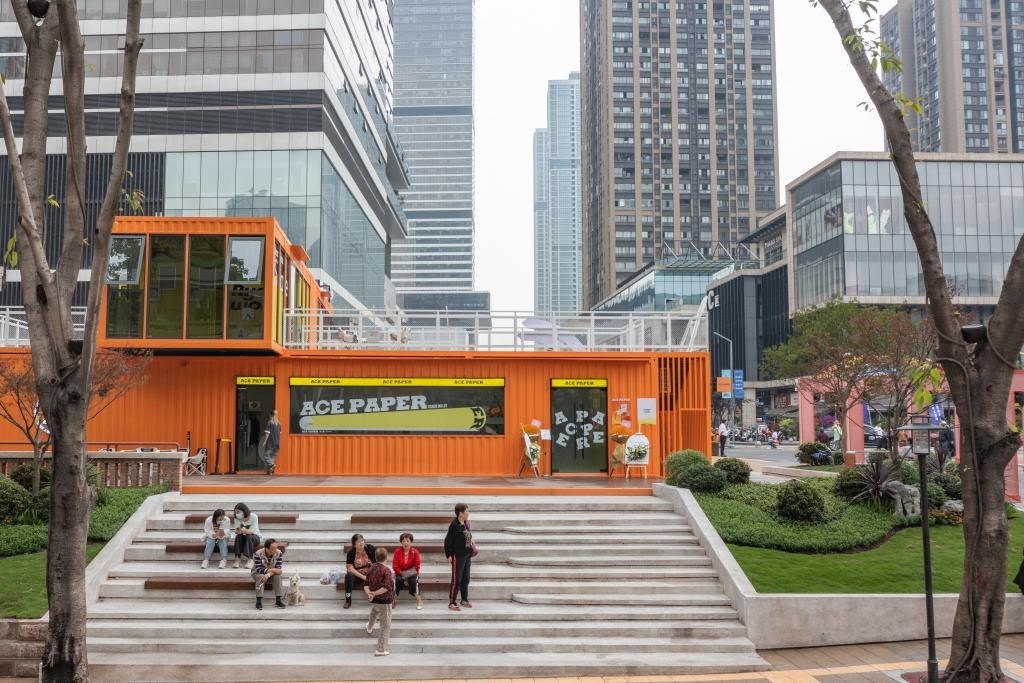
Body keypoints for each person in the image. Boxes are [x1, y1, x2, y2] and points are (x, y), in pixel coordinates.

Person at [364, 547, 395, 656]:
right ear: (386, 557)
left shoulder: (371, 568)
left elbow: (366, 584)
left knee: (374, 611)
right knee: (385, 626)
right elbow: (386, 588)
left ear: (375, 557)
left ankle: (369, 626)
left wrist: (370, 593)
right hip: (385, 601)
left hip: (375, 600)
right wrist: (375, 593)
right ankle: (380, 650)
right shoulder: (386, 570)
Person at [444, 502, 473, 611]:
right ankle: (452, 602)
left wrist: (471, 540)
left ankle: (464, 600)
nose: (468, 513)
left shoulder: (466, 523)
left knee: (466, 578)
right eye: (467, 511)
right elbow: (447, 541)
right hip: (458, 556)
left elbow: (467, 537)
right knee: (456, 580)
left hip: (467, 555)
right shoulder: (454, 526)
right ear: (460, 513)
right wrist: (449, 555)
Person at [343, 533, 376, 609]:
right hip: (358, 575)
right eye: (358, 542)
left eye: (362, 540)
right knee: (348, 576)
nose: (361, 543)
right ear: (354, 544)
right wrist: (363, 577)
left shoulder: (370, 548)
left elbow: (377, 562)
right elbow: (349, 568)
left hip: (370, 573)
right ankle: (348, 599)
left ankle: (379, 597)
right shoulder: (351, 553)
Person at [252, 537, 285, 610]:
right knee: (261, 576)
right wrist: (273, 570)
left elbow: (279, 570)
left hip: (270, 574)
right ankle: (259, 600)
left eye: (276, 548)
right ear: (267, 549)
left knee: (278, 576)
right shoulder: (258, 554)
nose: (275, 550)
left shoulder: (279, 553)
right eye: (273, 549)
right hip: (257, 572)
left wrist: (268, 574)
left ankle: (278, 600)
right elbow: (259, 569)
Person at [393, 532, 423, 610]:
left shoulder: (415, 552)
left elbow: (417, 567)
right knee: (397, 580)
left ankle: (419, 600)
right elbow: (395, 566)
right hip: (400, 573)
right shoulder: (397, 551)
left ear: (411, 542)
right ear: (401, 542)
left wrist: (406, 575)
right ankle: (393, 599)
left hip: (412, 573)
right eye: (404, 541)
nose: (406, 543)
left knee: (413, 581)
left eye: (407, 541)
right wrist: (403, 575)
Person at [232, 503, 261, 569]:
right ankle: (237, 559)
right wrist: (238, 531)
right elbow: (237, 530)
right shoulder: (237, 518)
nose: (237, 514)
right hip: (243, 536)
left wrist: (243, 530)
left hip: (255, 537)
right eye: (236, 512)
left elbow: (252, 531)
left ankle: (250, 559)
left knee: (249, 536)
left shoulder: (253, 516)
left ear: (244, 511)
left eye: (238, 512)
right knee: (238, 537)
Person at [260, 409, 282, 475]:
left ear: (271, 415)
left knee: (266, 456)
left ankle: (272, 465)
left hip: (271, 443)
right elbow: (279, 434)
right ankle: (270, 471)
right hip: (277, 443)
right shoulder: (279, 424)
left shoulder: (270, 423)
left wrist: (265, 441)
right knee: (272, 457)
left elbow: (267, 433)